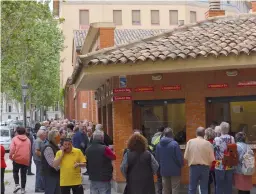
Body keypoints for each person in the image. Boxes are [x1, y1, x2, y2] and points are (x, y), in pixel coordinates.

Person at [184, 127, 215, 194]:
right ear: (204, 134)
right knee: (204, 189)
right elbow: (212, 159)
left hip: (193, 167)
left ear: (196, 133)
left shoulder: (190, 142)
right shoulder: (208, 144)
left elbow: (186, 156)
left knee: (192, 188)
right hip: (205, 168)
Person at [156, 128, 183, 194]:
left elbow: (157, 158)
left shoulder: (158, 145)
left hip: (164, 170)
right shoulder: (175, 144)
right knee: (175, 188)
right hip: (175, 170)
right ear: (171, 134)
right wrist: (180, 165)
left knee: (165, 189)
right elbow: (179, 157)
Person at [213, 122, 236, 194]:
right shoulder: (232, 138)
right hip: (229, 163)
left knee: (219, 185)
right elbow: (233, 150)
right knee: (228, 185)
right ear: (228, 129)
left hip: (219, 164)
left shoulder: (217, 139)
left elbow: (213, 150)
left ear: (220, 129)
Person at [9, 127, 31, 194]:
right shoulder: (28, 140)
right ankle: (23, 189)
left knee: (15, 172)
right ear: (24, 132)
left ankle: (17, 185)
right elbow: (29, 150)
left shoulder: (14, 139)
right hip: (25, 159)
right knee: (23, 174)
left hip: (17, 159)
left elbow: (12, 149)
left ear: (17, 132)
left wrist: (10, 156)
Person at [41, 130, 61, 194]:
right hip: (49, 175)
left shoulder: (56, 147)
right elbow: (52, 164)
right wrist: (64, 168)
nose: (59, 138)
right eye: (58, 137)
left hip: (55, 174)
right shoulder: (48, 148)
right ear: (54, 138)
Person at [150, 126, 165, 194]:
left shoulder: (153, 137)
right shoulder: (164, 137)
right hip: (163, 159)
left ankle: (159, 192)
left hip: (156, 159)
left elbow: (151, 148)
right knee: (164, 178)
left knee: (159, 178)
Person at [204, 128, 216, 194]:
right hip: (215, 164)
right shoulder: (215, 142)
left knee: (207, 184)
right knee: (216, 184)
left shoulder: (204, 143)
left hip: (207, 165)